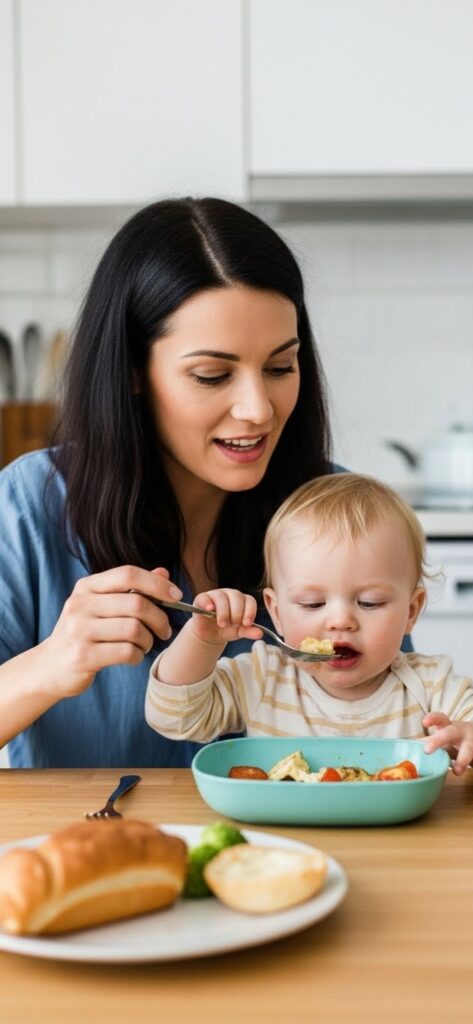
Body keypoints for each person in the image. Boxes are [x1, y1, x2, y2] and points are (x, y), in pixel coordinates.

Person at [0, 196, 335, 768]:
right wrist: (52, 662)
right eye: (212, 375)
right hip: (96, 846)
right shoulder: (28, 505)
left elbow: (392, 721)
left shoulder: (335, 513)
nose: (258, 409)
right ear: (133, 372)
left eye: (281, 367)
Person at [145, 473, 473, 778]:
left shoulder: (429, 684)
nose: (340, 621)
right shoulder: (264, 676)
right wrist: (202, 640)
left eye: (370, 602)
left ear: (411, 611)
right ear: (275, 611)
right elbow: (175, 718)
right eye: (313, 603)